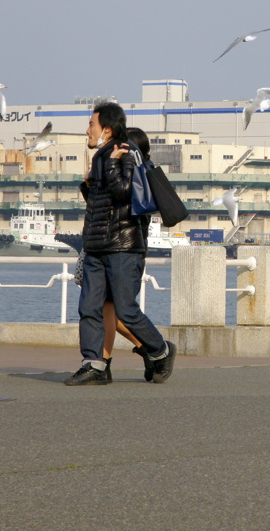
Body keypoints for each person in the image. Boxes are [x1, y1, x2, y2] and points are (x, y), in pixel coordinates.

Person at [64, 103, 175, 386]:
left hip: (123, 246)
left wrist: (113, 165)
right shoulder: (102, 156)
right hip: (98, 245)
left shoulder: (124, 153)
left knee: (125, 309)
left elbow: (127, 194)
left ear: (107, 129)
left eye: (91, 124)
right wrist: (88, 186)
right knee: (90, 307)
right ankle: (95, 364)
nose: (87, 130)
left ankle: (160, 350)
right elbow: (104, 205)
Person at [100, 127, 156, 382]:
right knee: (106, 309)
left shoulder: (136, 174)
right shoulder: (129, 171)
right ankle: (145, 348)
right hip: (105, 245)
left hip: (121, 248)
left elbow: (122, 201)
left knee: (115, 309)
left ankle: (153, 348)